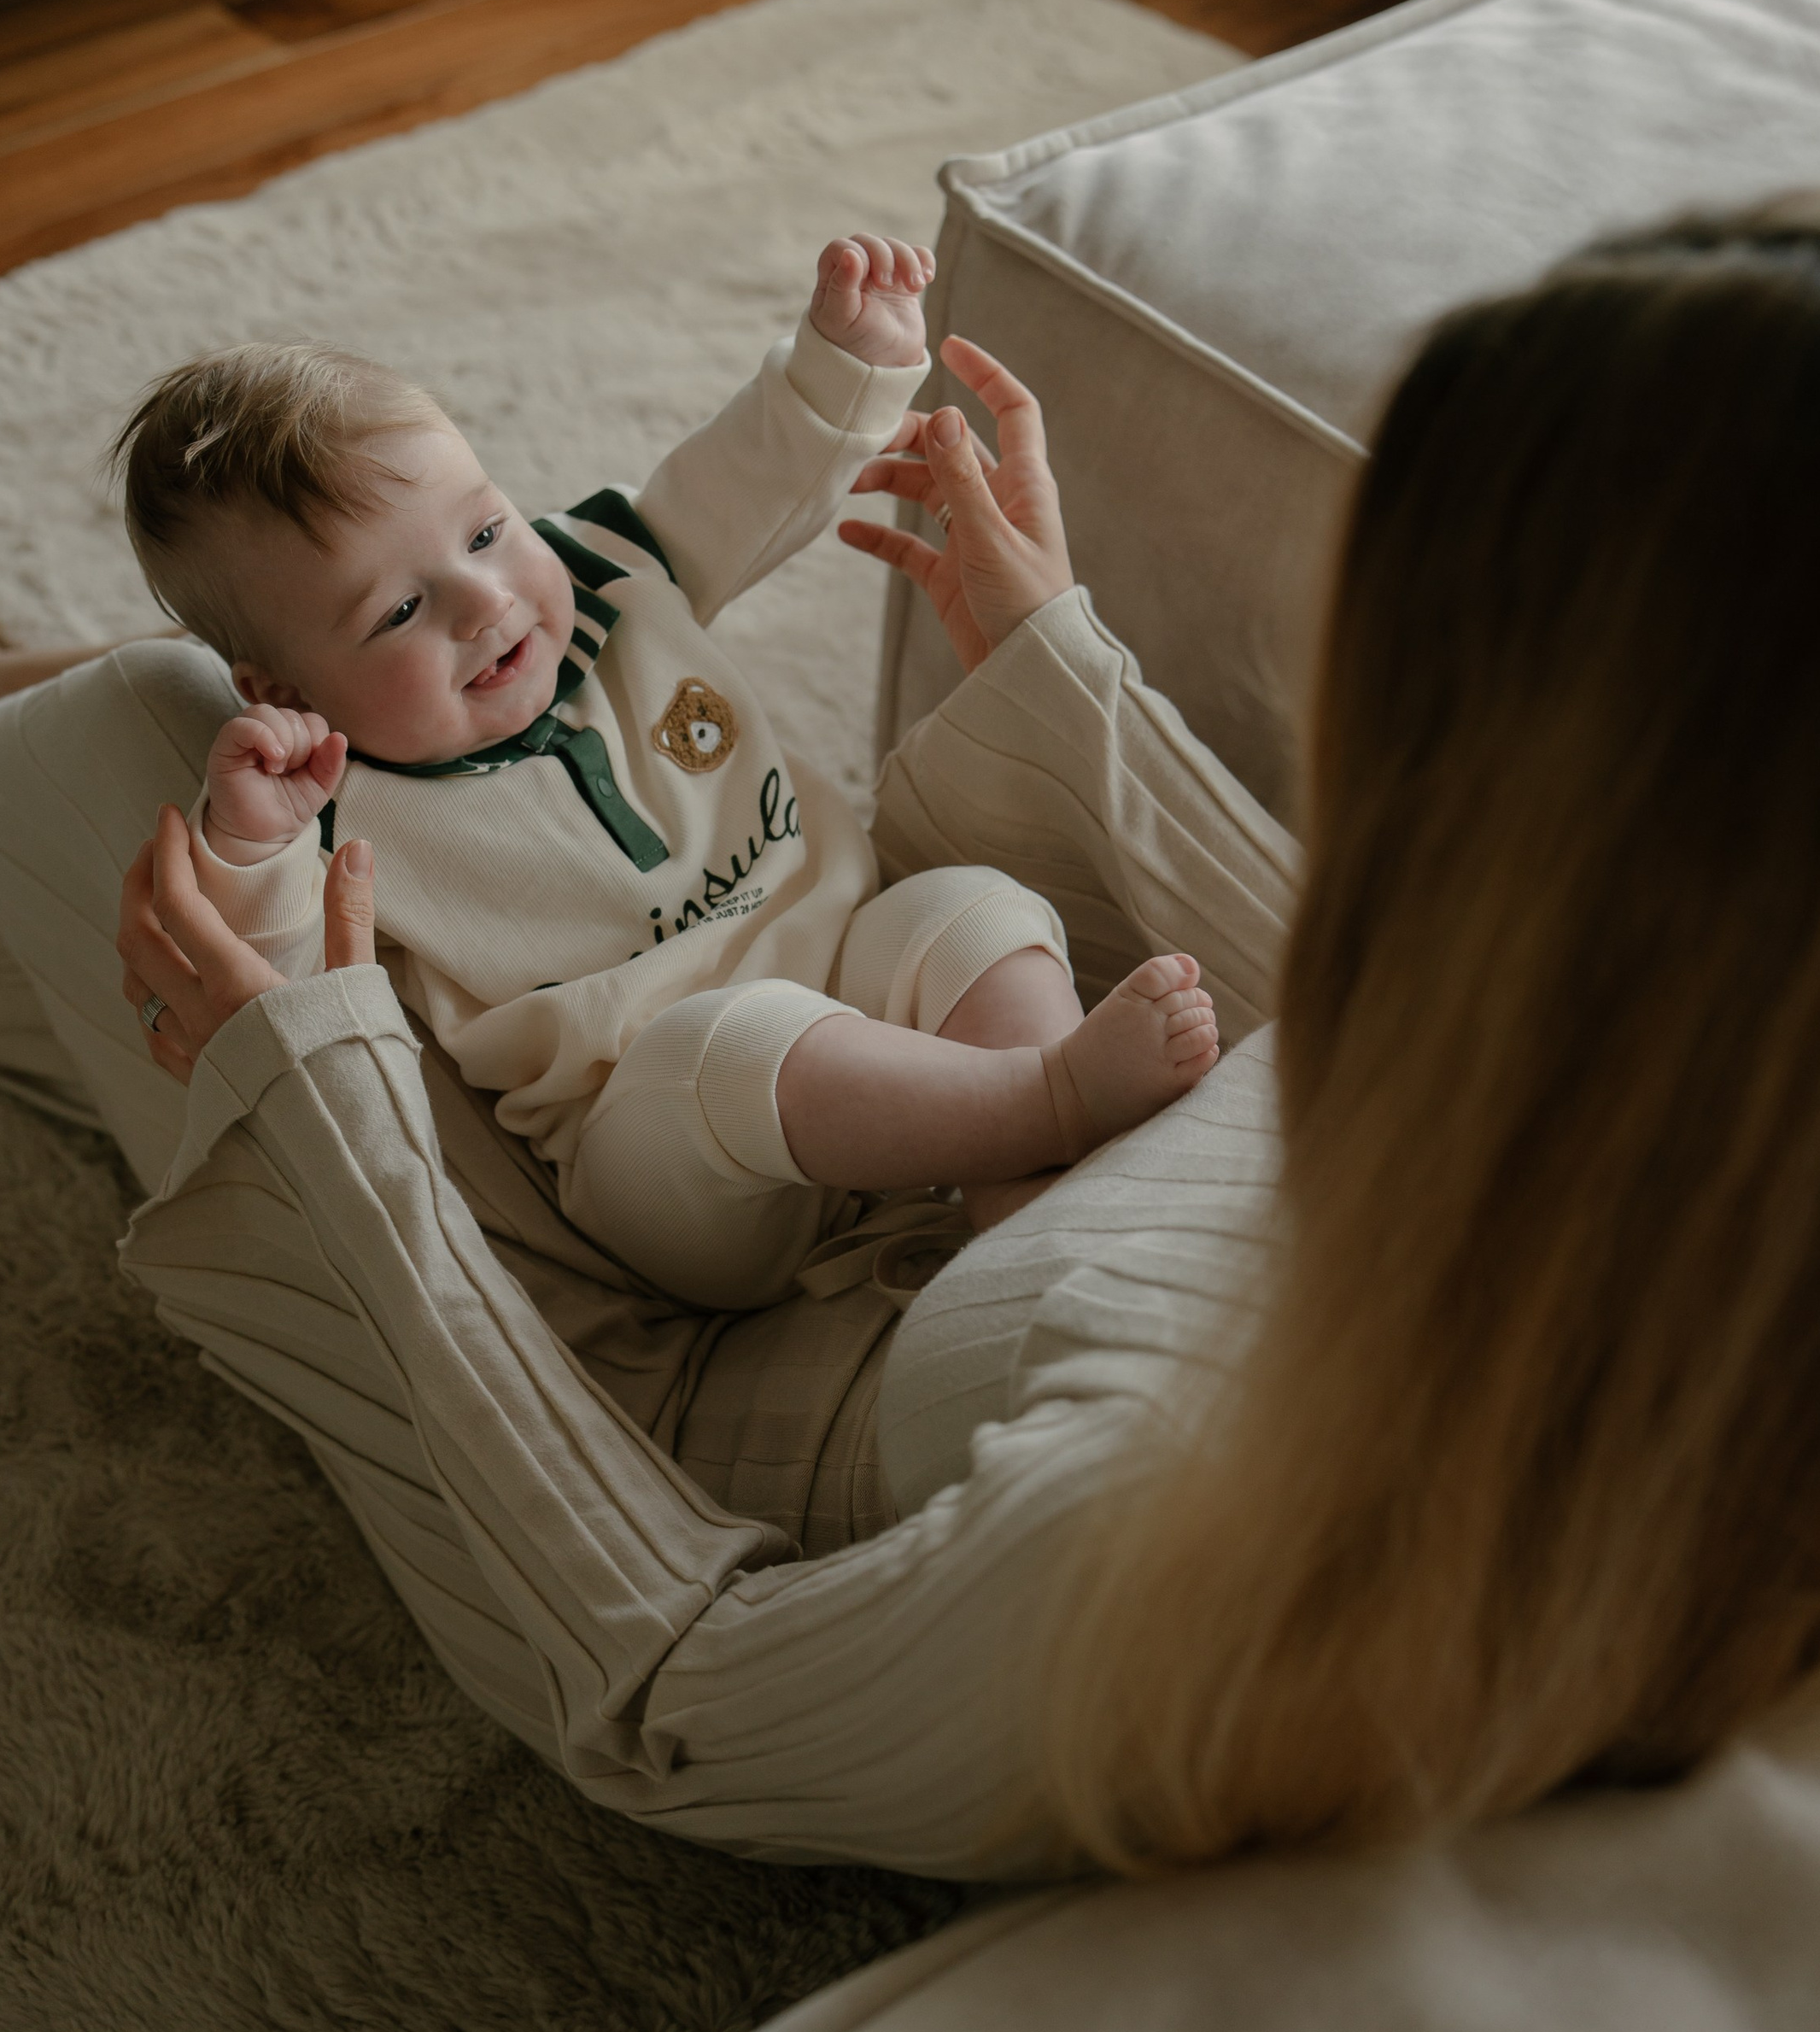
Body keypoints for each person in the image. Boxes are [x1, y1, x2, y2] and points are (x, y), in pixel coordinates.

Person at [0, 196, 1820, 1883]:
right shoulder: (1705, 1138)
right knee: (267, 716)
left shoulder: (1177, 1545)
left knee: (104, 774)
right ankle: (42, 686)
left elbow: (666, 1689)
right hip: (704, 1059)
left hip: (726, 1289)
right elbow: (1367, 1004)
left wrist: (311, 1106)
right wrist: (1052, 680)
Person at [124, 230, 1215, 1309]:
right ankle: (1046, 1101)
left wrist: (847, 362)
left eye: (487, 531)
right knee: (730, 1043)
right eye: (401, 610)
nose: (486, 601)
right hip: (671, 1153)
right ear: (283, 692)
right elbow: (276, 996)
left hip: (857, 981)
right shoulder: (333, 800)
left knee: (968, 909)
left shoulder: (611, 573)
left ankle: (1022, 1206)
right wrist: (254, 842)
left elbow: (743, 482)